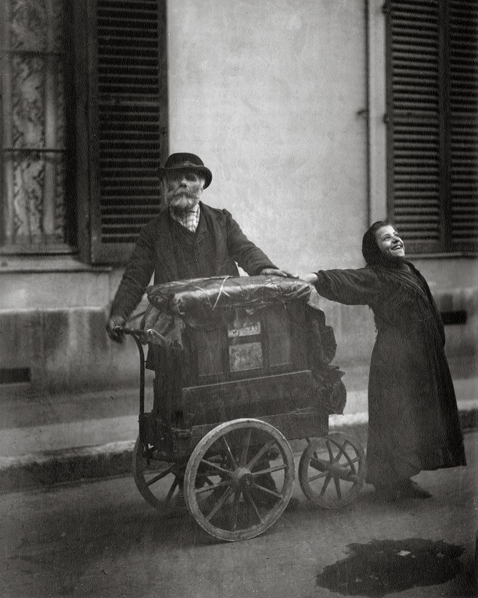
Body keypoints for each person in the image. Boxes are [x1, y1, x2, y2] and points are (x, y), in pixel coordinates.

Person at [106, 152, 298, 508]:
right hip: (177, 334)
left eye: (191, 178)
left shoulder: (221, 221)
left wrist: (264, 268)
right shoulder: (153, 232)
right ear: (165, 186)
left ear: (201, 185)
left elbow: (245, 250)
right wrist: (119, 313)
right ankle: (197, 471)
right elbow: (136, 276)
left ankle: (258, 478)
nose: (183, 183)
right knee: (181, 403)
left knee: (239, 397)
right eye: (175, 178)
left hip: (225, 330)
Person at [301, 221, 466, 501]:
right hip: (395, 360)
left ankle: (403, 478)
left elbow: (430, 307)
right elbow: (349, 279)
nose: (396, 239)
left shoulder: (410, 271)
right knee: (397, 418)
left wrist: (436, 344)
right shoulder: (376, 277)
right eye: (386, 238)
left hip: (422, 357)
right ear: (375, 250)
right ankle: (388, 483)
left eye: (396, 235)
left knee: (415, 418)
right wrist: (316, 278)